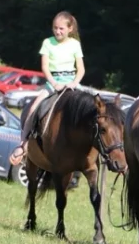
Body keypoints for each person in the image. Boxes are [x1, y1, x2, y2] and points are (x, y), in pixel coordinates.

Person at [9, 11, 85, 165]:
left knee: (88, 108)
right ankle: (23, 144)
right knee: (33, 108)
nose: (58, 31)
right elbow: (45, 67)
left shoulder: (75, 44)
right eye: (55, 28)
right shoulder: (47, 43)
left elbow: (81, 69)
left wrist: (74, 82)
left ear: (70, 29)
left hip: (71, 82)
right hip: (53, 82)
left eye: (61, 28)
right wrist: (53, 83)